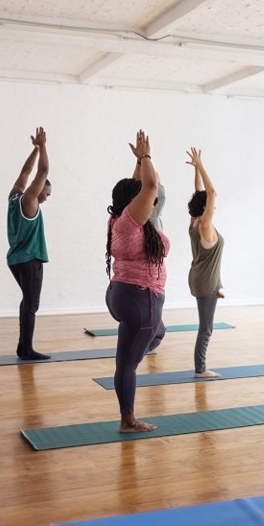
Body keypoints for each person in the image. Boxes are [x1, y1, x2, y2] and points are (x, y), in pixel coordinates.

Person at [105, 130, 170, 433]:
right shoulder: (132, 223)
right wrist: (146, 158)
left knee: (154, 336)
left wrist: (137, 163)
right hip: (140, 297)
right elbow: (150, 186)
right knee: (129, 363)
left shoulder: (118, 219)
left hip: (123, 294)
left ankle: (126, 399)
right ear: (133, 202)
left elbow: (138, 188)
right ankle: (128, 420)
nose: (149, 200)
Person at [7, 127, 52, 361]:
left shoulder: (14, 196)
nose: (47, 196)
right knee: (32, 303)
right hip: (29, 259)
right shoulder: (30, 201)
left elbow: (25, 172)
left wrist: (34, 149)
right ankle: (27, 349)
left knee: (27, 300)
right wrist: (43, 146)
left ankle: (22, 346)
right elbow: (42, 171)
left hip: (15, 259)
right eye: (47, 192)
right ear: (39, 188)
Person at [186, 147, 225, 378]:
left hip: (199, 277)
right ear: (206, 209)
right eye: (211, 207)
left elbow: (200, 192)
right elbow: (211, 192)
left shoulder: (194, 221)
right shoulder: (205, 226)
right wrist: (201, 165)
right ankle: (200, 369)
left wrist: (196, 171)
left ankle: (215, 290)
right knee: (206, 328)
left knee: (205, 323)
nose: (214, 208)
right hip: (203, 282)